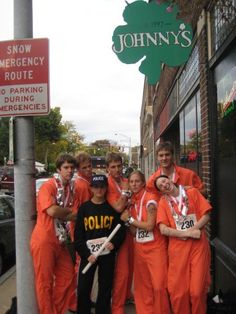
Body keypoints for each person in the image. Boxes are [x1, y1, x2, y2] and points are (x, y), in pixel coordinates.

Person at [155, 175, 212, 314]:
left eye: (164, 181)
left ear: (169, 179)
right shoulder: (163, 202)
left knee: (197, 292)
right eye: (160, 186)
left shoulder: (192, 193)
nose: (164, 185)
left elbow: (206, 215)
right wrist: (187, 234)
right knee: (179, 293)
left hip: (198, 247)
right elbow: (163, 229)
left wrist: (194, 230)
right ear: (161, 191)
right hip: (178, 251)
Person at [30, 153, 79, 314]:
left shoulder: (70, 188)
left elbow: (64, 212)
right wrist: (69, 213)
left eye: (72, 168)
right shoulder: (48, 186)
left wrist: (64, 212)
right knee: (44, 282)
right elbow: (52, 210)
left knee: (68, 276)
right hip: (45, 239)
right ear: (58, 169)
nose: (70, 171)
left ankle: (55, 310)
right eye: (66, 167)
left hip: (61, 240)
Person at [74, 174, 126, 314]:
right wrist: (86, 254)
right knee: (84, 287)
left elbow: (121, 230)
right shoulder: (84, 209)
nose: (99, 190)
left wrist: (114, 244)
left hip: (107, 254)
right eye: (96, 187)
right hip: (89, 255)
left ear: (106, 188)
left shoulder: (112, 208)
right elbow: (78, 235)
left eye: (102, 187)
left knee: (105, 287)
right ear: (91, 188)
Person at [120, 170, 170, 314]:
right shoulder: (132, 203)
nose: (134, 184)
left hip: (156, 247)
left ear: (143, 183)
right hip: (140, 248)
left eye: (137, 181)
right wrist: (129, 223)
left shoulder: (151, 198)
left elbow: (149, 225)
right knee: (142, 286)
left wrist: (129, 220)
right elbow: (134, 233)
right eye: (131, 182)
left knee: (159, 285)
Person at [105, 152, 134, 314]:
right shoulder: (107, 184)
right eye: (113, 167)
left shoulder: (126, 181)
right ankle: (117, 307)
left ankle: (126, 296)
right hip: (116, 231)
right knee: (121, 271)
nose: (117, 169)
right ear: (108, 169)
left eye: (119, 166)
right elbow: (116, 207)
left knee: (131, 266)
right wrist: (124, 193)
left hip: (130, 227)